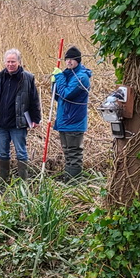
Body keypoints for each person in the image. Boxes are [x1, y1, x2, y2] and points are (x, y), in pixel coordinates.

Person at [0, 48, 42, 182]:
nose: (10, 64)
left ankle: (23, 181)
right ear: (4, 62)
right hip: (1, 123)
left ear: (19, 63)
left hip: (18, 123)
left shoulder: (27, 78)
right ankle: (4, 179)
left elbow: (34, 100)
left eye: (13, 62)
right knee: (3, 152)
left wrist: (36, 119)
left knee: (21, 152)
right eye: (8, 62)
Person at [51, 46, 93, 182]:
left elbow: (67, 94)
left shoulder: (82, 77)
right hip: (64, 120)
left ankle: (73, 183)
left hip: (74, 122)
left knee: (74, 153)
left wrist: (59, 77)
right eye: (67, 59)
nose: (69, 62)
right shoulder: (67, 74)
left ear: (78, 61)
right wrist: (54, 83)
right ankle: (68, 180)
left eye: (72, 60)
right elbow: (57, 96)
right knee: (68, 153)